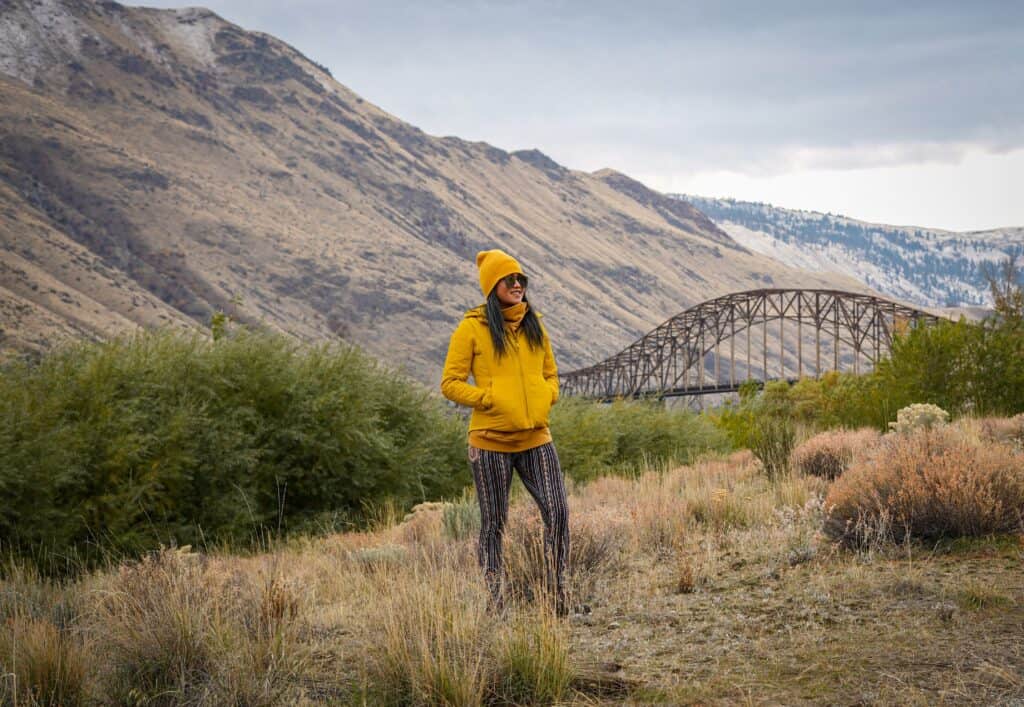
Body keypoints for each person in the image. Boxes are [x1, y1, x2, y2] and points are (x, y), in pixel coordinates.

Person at [440, 249, 570, 613]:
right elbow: (450, 383)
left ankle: (558, 595)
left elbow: (550, 374)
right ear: (492, 285)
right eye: (509, 279)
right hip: (490, 442)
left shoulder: (535, 325)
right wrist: (487, 399)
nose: (517, 284)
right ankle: (495, 602)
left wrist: (548, 396)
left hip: (536, 438)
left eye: (521, 280)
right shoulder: (471, 328)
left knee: (558, 511)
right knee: (494, 523)